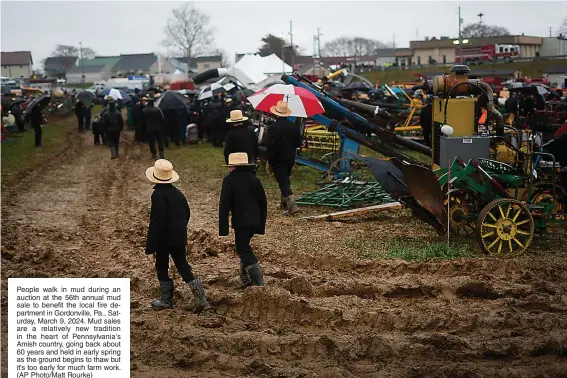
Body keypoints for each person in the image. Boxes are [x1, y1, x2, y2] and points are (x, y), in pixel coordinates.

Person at [145, 159, 210, 311]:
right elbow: (187, 213)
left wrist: (150, 245)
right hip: (179, 237)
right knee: (183, 266)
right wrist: (180, 229)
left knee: (161, 266)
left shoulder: (157, 195)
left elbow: (157, 221)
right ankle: (202, 300)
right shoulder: (178, 193)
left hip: (163, 240)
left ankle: (166, 300)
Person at [219, 152, 267, 287]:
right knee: (245, 244)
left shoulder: (229, 180)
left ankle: (259, 281)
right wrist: (261, 224)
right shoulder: (254, 179)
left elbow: (224, 205)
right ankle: (245, 274)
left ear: (232, 166)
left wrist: (223, 228)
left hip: (241, 221)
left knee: (242, 248)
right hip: (255, 220)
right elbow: (263, 202)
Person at [266, 101, 301, 215]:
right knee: (285, 178)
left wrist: (269, 159)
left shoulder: (273, 127)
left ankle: (292, 205)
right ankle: (284, 202)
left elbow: (270, 145)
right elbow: (298, 143)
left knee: (282, 180)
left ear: (276, 113)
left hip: (277, 158)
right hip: (290, 157)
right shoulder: (294, 127)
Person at [142, 94, 167, 160]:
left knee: (151, 142)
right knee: (160, 141)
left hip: (149, 128)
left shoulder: (144, 110)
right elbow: (162, 119)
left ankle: (153, 155)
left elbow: (143, 121)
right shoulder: (158, 109)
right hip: (158, 128)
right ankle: (161, 154)